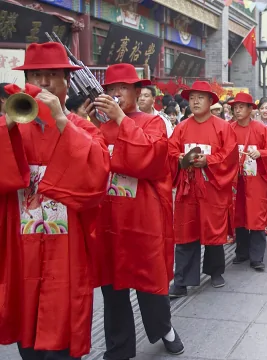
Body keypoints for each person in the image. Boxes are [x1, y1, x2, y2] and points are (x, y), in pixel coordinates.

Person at [0, 42, 110, 360]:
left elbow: (97, 176)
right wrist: (6, 127)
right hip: (23, 247)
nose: (44, 83)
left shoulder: (84, 129)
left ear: (66, 83)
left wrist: (63, 119)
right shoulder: (13, 128)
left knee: (62, 335)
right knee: (27, 333)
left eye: (52, 75)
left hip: (67, 246)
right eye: (37, 75)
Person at [86, 63, 184, 359]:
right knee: (111, 286)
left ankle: (164, 328)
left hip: (142, 216)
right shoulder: (98, 126)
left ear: (136, 91)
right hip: (108, 216)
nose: (116, 95)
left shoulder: (151, 122)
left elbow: (153, 162)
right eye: (111, 89)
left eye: (122, 89)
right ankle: (119, 347)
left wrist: (121, 120)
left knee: (149, 281)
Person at [168, 81, 238, 296]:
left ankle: (215, 271)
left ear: (210, 101)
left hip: (212, 188)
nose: (195, 101)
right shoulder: (182, 127)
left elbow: (230, 156)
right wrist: (179, 157)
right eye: (191, 98)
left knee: (213, 231)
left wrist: (208, 160)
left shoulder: (223, 127)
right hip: (187, 190)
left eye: (200, 97)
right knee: (185, 232)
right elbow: (170, 151)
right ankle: (181, 280)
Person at [229, 92, 267, 269]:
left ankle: (257, 257)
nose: (237, 110)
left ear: (251, 109)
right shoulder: (229, 128)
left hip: (255, 179)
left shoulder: (261, 129)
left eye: (241, 107)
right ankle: (241, 252)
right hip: (235, 180)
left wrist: (261, 153)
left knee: (256, 216)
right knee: (239, 215)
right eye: (235, 107)